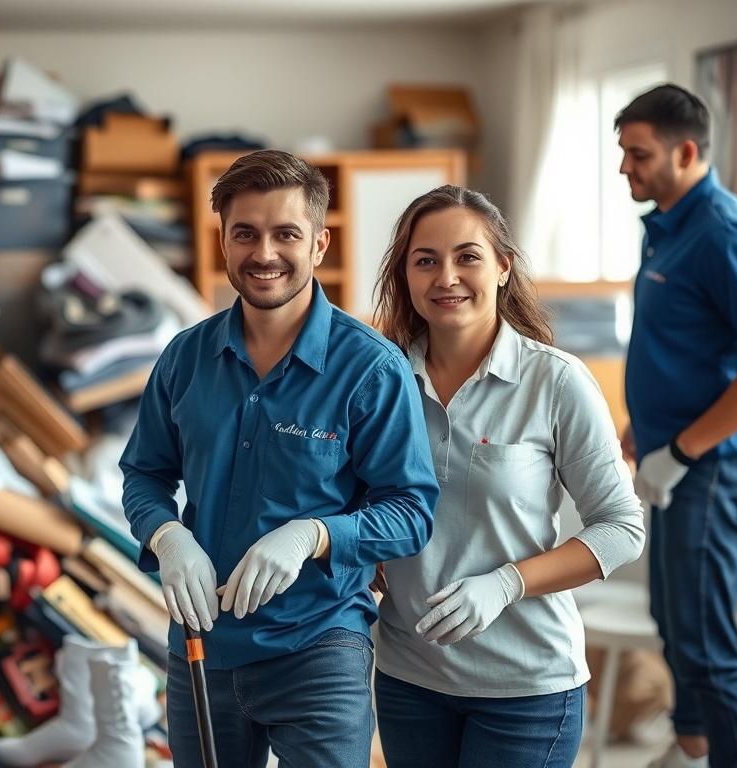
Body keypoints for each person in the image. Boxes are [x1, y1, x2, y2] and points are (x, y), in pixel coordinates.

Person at [120, 149, 439, 768]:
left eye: (285, 233)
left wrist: (315, 534)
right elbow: (145, 474)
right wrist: (164, 534)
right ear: (222, 240)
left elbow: (412, 509)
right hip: (202, 647)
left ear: (320, 243)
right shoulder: (184, 359)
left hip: (319, 647)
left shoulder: (371, 369)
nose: (264, 253)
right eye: (246, 233)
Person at [371, 185, 645, 767]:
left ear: (502, 267)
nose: (447, 277)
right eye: (426, 260)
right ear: (406, 275)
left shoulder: (556, 383)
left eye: (467, 256)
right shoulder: (380, 382)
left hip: (526, 688)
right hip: (408, 679)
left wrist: (504, 584)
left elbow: (621, 529)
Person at [615, 84, 737, 768]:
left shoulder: (721, 231)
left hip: (714, 466)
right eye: (622, 152)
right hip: (672, 459)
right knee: (673, 630)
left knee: (707, 649)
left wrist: (680, 447)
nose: (625, 168)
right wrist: (642, 427)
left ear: (686, 152)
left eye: (638, 154)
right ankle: (694, 750)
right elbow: (683, 344)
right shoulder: (669, 222)